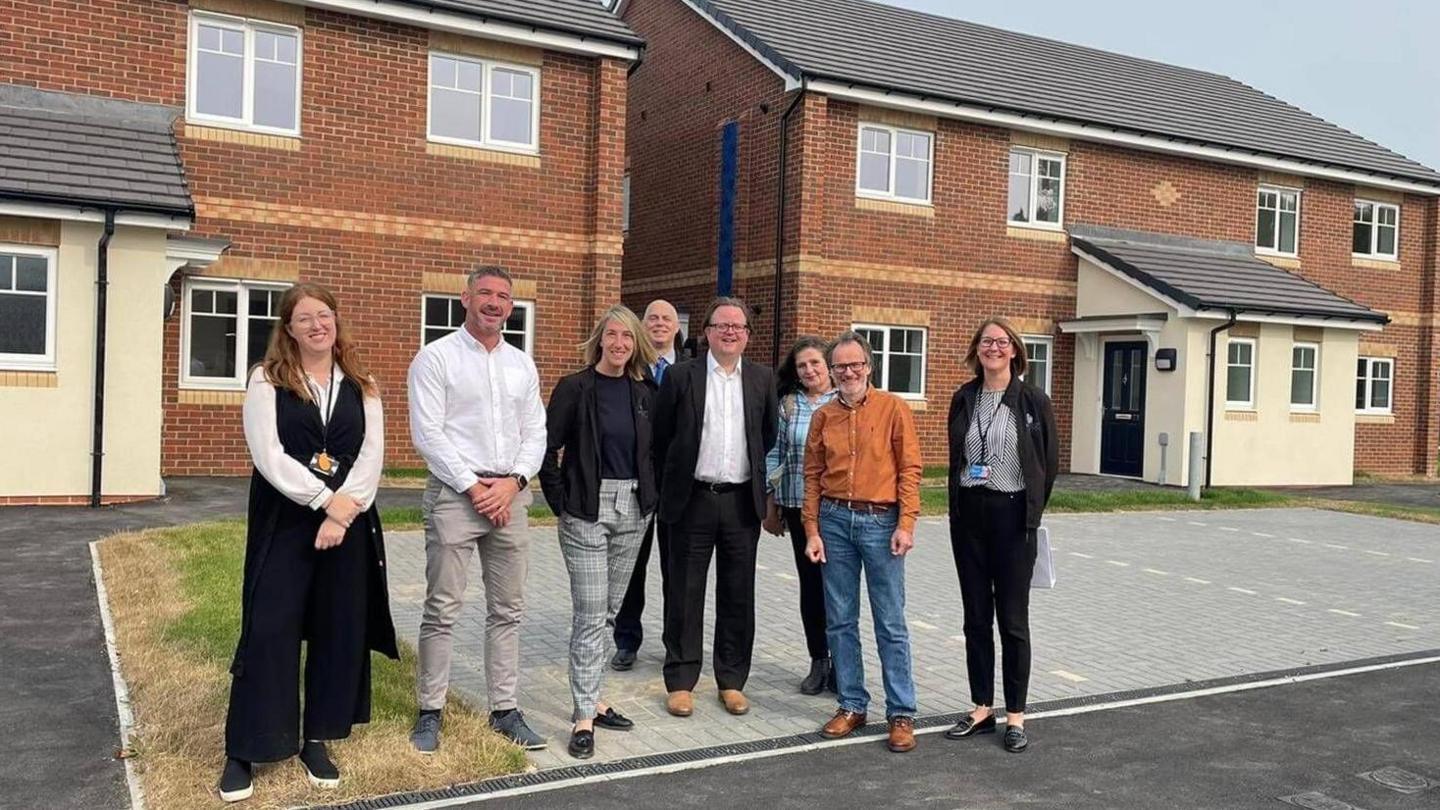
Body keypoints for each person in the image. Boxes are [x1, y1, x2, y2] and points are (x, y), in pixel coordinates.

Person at [220, 283, 398, 803]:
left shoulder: (362, 384)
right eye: (305, 318)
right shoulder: (267, 379)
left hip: (348, 522)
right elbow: (268, 455)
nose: (318, 325)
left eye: (325, 315)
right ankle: (246, 746)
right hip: (286, 520)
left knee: (335, 629)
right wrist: (324, 501)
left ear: (336, 321)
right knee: (268, 628)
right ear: (288, 329)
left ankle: (315, 738)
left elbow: (371, 453)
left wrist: (343, 512)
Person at [407, 265, 547, 753]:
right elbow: (429, 434)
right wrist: (474, 488)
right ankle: (430, 711)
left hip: (510, 497)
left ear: (511, 306)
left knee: (507, 609)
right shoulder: (435, 358)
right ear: (465, 298)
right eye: (484, 293)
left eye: (503, 296)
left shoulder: (521, 365)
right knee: (442, 607)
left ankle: (504, 710)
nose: (494, 303)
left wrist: (512, 484)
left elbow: (536, 433)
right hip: (454, 497)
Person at [539, 305, 659, 759]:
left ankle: (594, 696)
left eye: (628, 337)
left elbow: (658, 452)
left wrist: (653, 497)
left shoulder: (647, 392)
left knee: (609, 610)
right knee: (590, 612)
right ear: (600, 339)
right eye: (612, 335)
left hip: (634, 509)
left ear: (636, 344)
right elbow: (547, 450)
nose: (620, 344)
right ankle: (584, 717)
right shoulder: (575, 388)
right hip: (586, 509)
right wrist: (562, 504)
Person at [652, 296, 777, 717]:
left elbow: (767, 436)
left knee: (738, 593)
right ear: (705, 333)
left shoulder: (762, 379)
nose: (730, 332)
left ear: (746, 335)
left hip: (741, 501)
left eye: (737, 326)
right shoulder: (679, 376)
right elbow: (661, 437)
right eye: (721, 325)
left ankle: (732, 680)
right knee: (684, 591)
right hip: (692, 500)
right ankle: (682, 679)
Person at [802, 331, 922, 754]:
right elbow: (812, 474)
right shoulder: (823, 416)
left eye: (855, 365)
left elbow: (910, 468)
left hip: (880, 521)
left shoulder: (893, 409)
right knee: (839, 620)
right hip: (834, 522)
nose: (848, 372)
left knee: (890, 622)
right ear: (832, 372)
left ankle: (902, 712)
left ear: (869, 366)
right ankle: (852, 704)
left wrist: (906, 523)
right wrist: (812, 530)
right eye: (840, 367)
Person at [944, 317, 1058, 754]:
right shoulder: (964, 398)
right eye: (986, 341)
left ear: (1014, 350)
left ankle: (1015, 716)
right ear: (977, 351)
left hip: (1013, 520)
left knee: (1012, 622)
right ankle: (981, 707)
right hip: (970, 517)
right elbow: (957, 459)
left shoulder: (1033, 400)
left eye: (1001, 341)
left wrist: (1029, 513)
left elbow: (1048, 466)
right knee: (975, 618)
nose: (993, 348)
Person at [763, 336, 838, 694]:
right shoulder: (788, 405)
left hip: (836, 510)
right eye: (802, 365)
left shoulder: (843, 401)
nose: (809, 370)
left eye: (815, 364)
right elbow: (775, 455)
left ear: (829, 367)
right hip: (796, 507)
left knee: (838, 590)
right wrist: (770, 504)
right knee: (811, 588)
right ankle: (818, 660)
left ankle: (843, 662)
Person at [611, 299, 680, 670]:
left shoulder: (691, 369)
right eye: (651, 318)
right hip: (634, 482)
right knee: (631, 566)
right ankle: (626, 640)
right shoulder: (628, 369)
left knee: (676, 569)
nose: (658, 324)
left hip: (678, 485)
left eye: (666, 319)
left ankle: (675, 642)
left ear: (676, 328)